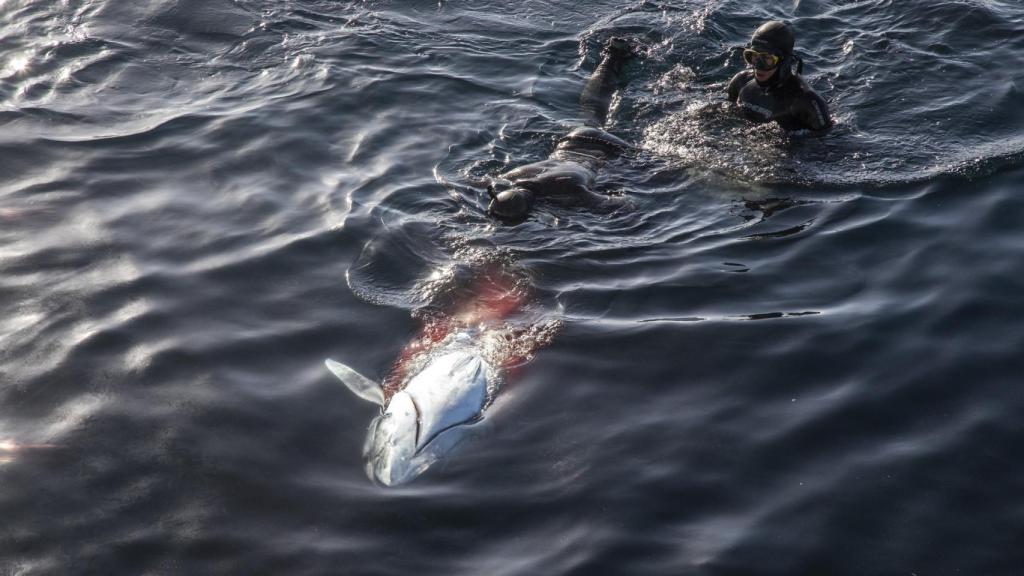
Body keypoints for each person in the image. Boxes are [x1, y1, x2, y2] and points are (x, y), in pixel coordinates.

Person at [487, 37, 633, 220]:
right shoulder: (512, 176)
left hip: (610, 150)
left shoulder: (568, 190)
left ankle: (615, 56)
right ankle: (613, 55)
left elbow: (623, 206)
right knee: (592, 108)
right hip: (573, 139)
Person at [727, 21, 831, 134]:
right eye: (753, 56)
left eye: (767, 58)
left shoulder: (808, 102)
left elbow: (827, 145)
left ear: (785, 61)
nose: (758, 65)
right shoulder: (741, 82)